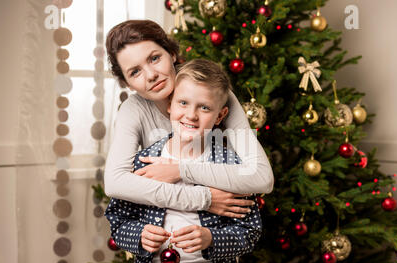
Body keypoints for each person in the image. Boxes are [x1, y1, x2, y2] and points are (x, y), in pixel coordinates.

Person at [105, 59, 262, 263]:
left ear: (221, 115)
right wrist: (139, 235)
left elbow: (249, 232)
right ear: (169, 104)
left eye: (204, 108)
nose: (191, 115)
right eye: (183, 103)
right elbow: (118, 221)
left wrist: (211, 239)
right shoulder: (144, 161)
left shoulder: (232, 167)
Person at [104, 20, 274, 219]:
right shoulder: (133, 109)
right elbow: (115, 182)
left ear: (172, 54)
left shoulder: (215, 92)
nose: (151, 75)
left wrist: (182, 170)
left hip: (218, 229)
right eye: (135, 72)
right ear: (127, 84)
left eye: (155, 58)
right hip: (163, 226)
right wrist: (204, 199)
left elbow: (262, 178)